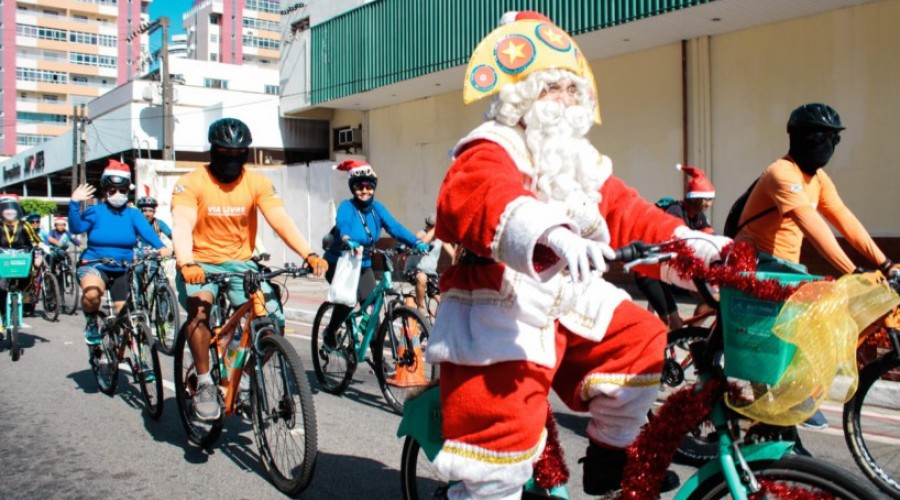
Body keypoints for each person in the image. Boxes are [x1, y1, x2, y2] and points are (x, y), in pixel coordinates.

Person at [427, 11, 730, 498]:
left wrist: (700, 246)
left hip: (569, 301)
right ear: (521, 97)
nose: (566, 103)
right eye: (552, 90)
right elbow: (476, 194)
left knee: (640, 337)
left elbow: (628, 212)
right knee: (497, 462)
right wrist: (550, 233)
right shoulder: (492, 145)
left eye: (573, 91)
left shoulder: (577, 161)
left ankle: (610, 460)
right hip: (503, 311)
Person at [735, 102, 898, 430]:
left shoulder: (818, 179)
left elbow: (843, 219)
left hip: (786, 267)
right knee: (815, 316)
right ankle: (778, 408)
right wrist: (852, 271)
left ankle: (785, 404)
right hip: (758, 263)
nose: (827, 145)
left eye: (833, 139)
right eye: (820, 136)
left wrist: (885, 262)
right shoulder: (782, 173)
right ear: (798, 138)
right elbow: (812, 224)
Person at [171, 117, 328, 421]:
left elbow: (280, 220)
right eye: (224, 154)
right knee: (200, 309)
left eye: (238, 154)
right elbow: (182, 222)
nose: (231, 160)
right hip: (199, 262)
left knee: (270, 323)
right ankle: (204, 382)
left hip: (240, 262)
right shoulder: (191, 183)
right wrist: (186, 262)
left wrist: (308, 253)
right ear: (212, 152)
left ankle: (235, 366)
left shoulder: (256, 182)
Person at [322, 159, 430, 346]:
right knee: (348, 300)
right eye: (358, 186)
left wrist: (416, 242)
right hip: (340, 263)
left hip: (363, 265)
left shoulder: (377, 209)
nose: (364, 190)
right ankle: (331, 331)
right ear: (352, 188)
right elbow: (343, 224)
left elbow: (394, 227)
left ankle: (377, 356)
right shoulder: (347, 207)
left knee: (373, 308)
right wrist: (347, 240)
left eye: (368, 186)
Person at [69, 159, 172, 345]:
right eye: (112, 191)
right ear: (105, 191)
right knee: (92, 294)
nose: (118, 195)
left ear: (128, 190)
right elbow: (76, 228)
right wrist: (74, 203)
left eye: (122, 191)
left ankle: (132, 357)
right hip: (94, 264)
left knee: (124, 316)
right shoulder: (95, 211)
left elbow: (147, 232)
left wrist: (162, 248)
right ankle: (91, 323)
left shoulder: (133, 214)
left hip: (123, 267)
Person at [634, 164, 715, 330]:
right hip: (649, 271)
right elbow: (676, 242)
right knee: (671, 323)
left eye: (711, 199)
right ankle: (658, 350)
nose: (709, 204)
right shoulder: (674, 212)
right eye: (706, 199)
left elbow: (709, 240)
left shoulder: (698, 216)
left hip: (667, 270)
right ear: (695, 198)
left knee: (702, 303)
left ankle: (686, 338)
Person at [0, 195, 43, 337]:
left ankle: (24, 300)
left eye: (12, 209)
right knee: (0, 288)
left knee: (29, 276)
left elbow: (36, 241)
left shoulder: (25, 225)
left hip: (21, 259)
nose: (9, 212)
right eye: (6, 209)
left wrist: (40, 252)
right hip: (2, 260)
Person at [404, 213, 454, 314]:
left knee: (443, 298)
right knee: (422, 277)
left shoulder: (441, 238)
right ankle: (421, 309)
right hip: (413, 270)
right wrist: (434, 231)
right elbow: (421, 242)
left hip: (431, 273)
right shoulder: (421, 233)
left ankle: (440, 320)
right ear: (428, 227)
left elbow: (453, 255)